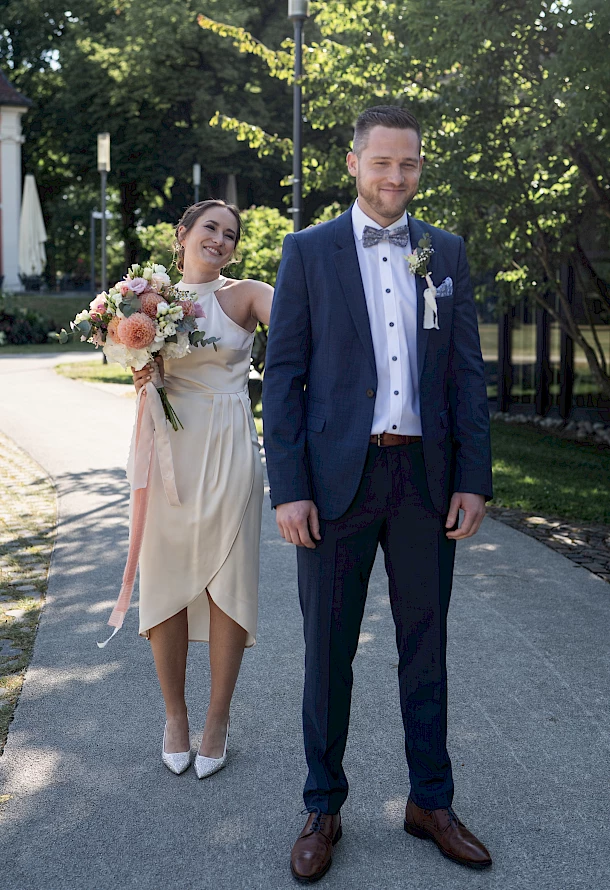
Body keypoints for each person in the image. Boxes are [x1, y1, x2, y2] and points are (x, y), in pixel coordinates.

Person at [263, 106, 493, 880]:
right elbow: (284, 382)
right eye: (383, 163)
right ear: (354, 163)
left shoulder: (445, 250)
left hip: (425, 482)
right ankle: (323, 806)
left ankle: (431, 801)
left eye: (411, 165)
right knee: (328, 653)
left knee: (426, 651)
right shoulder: (307, 251)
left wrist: (472, 478)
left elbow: (466, 379)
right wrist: (288, 490)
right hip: (333, 486)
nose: (397, 178)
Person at [132, 200, 272, 778]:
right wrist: (138, 362)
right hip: (168, 447)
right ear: (182, 234)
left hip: (231, 444)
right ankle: (175, 716)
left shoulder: (246, 295)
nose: (220, 240)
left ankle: (218, 719)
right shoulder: (146, 298)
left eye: (231, 234)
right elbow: (136, 360)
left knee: (227, 580)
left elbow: (308, 324)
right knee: (162, 575)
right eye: (210, 228)